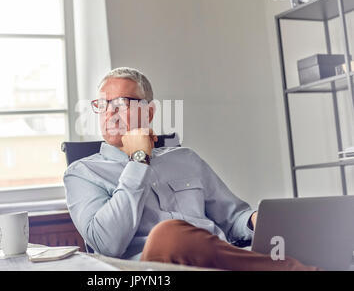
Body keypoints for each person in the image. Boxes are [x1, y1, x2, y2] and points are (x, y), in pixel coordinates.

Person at [63, 67, 319, 271]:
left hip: (217, 259)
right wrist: (138, 160)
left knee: (295, 233)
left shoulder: (185, 159)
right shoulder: (82, 173)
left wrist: (256, 221)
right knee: (168, 233)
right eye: (102, 104)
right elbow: (107, 245)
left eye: (121, 103)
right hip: (149, 270)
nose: (110, 113)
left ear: (149, 112)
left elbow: (234, 218)